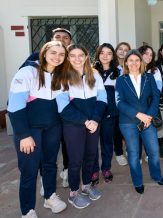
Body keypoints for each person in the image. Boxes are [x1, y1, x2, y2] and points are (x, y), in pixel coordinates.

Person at [8, 41, 68, 217]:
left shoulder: (61, 75)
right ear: (44, 53)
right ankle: (27, 210)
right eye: (53, 52)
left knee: (50, 165)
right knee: (29, 171)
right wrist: (24, 135)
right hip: (29, 131)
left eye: (61, 54)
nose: (57, 57)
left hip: (52, 128)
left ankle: (49, 197)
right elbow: (15, 107)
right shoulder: (27, 72)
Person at [20, 27, 72, 189]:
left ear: (70, 42)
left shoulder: (71, 59)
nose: (62, 40)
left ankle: (67, 171)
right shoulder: (35, 60)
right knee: (44, 151)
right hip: (42, 117)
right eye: (58, 37)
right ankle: (45, 179)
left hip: (64, 114)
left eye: (65, 38)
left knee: (67, 145)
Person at [56, 44, 106, 209]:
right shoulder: (62, 76)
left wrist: (96, 120)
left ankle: (86, 186)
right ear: (68, 58)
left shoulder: (95, 75)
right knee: (75, 159)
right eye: (73, 55)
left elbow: (102, 98)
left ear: (86, 57)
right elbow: (63, 106)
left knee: (90, 156)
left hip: (93, 123)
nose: (77, 59)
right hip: (74, 125)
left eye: (80, 55)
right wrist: (85, 121)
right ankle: (74, 193)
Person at [115, 50, 163, 194]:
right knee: (133, 153)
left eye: (137, 60)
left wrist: (148, 116)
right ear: (126, 62)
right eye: (130, 60)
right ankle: (137, 181)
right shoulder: (121, 80)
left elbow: (156, 98)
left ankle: (156, 175)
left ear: (141, 62)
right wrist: (139, 115)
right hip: (128, 122)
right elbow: (119, 102)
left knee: (154, 150)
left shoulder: (149, 77)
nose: (134, 63)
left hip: (148, 121)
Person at [91, 43, 120, 185]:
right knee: (92, 144)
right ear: (98, 54)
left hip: (110, 112)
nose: (105, 56)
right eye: (102, 52)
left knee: (107, 142)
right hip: (93, 113)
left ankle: (106, 168)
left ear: (113, 55)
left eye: (109, 53)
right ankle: (94, 170)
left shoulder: (118, 71)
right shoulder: (90, 71)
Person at [138, 45, 163, 157]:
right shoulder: (133, 68)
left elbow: (159, 87)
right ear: (140, 54)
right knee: (137, 129)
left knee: (148, 129)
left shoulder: (154, 70)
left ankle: (148, 153)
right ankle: (137, 153)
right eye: (146, 53)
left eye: (151, 55)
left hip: (150, 104)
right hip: (136, 105)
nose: (148, 56)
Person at [114, 42, 131, 166]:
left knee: (129, 127)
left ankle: (130, 150)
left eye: (126, 50)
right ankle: (119, 153)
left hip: (129, 103)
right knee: (117, 130)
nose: (122, 52)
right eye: (120, 49)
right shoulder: (111, 66)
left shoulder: (131, 65)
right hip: (114, 103)